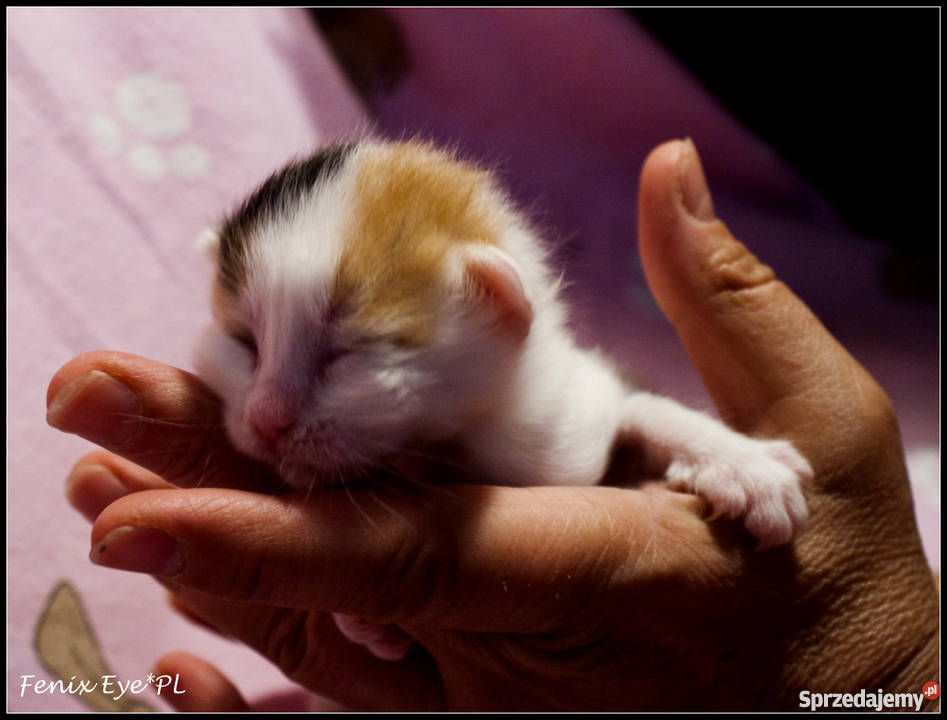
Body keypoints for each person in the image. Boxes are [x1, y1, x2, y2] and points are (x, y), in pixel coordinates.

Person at [47, 140, 940, 711]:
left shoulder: (553, 404)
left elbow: (623, 416)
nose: (267, 412)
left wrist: (898, 684)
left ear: (493, 306)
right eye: (243, 343)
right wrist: (360, 605)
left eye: (349, 352)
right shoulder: (306, 444)